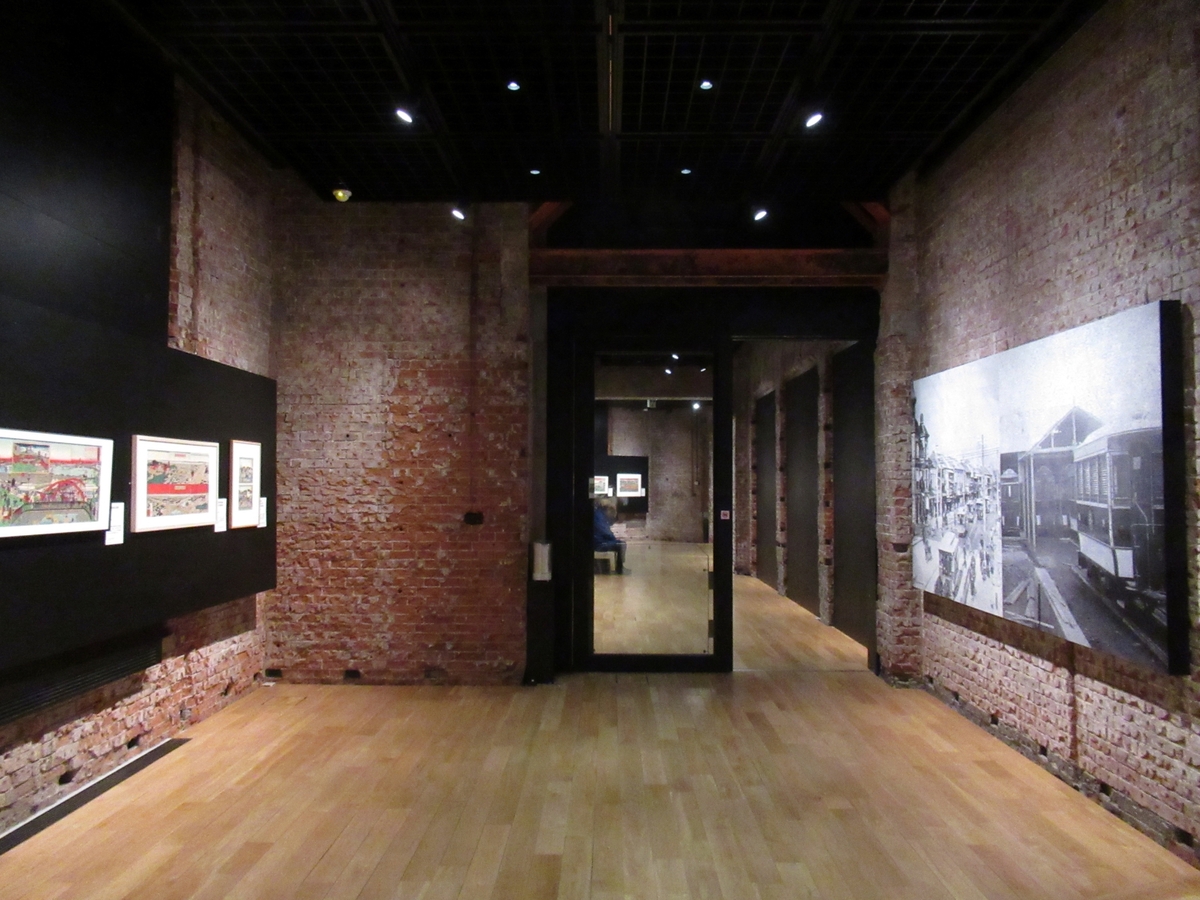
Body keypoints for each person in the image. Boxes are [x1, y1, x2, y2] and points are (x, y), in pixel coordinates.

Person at [593, 503, 627, 574]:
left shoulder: (598, 515)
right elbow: (605, 532)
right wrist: (613, 538)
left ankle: (619, 567)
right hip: (599, 543)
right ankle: (619, 569)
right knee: (621, 545)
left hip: (599, 541)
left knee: (619, 543)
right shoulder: (599, 517)